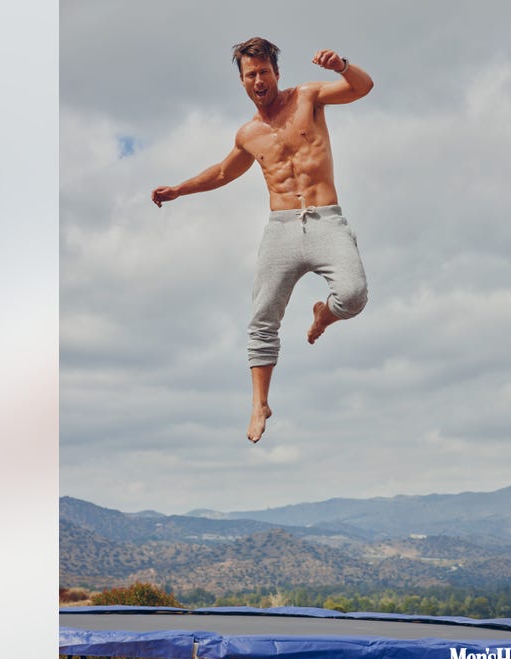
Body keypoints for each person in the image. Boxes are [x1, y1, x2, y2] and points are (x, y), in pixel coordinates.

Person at [152, 37, 373, 443]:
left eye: (264, 72)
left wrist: (341, 65)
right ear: (242, 81)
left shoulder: (308, 97)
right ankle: (260, 403)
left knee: (354, 295)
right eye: (250, 74)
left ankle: (324, 314)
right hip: (281, 228)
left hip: (325, 220)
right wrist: (179, 190)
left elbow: (363, 88)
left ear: (276, 73)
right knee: (262, 321)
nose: (258, 80)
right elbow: (221, 173)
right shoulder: (248, 134)